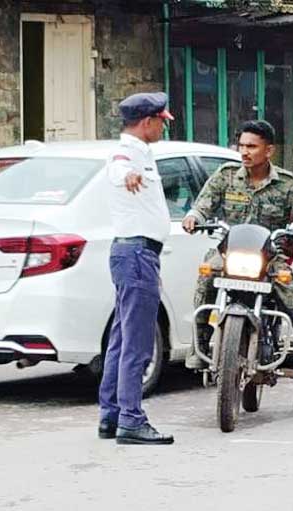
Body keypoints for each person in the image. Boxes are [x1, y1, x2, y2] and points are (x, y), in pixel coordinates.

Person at [181, 120, 293, 422]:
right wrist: (193, 217)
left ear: (269, 150)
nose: (245, 152)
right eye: (241, 146)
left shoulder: (287, 184)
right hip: (229, 253)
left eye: (252, 146)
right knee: (205, 275)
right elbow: (202, 205)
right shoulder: (226, 176)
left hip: (270, 257)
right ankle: (199, 344)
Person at [98, 92, 175, 446]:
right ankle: (131, 419)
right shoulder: (126, 153)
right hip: (137, 254)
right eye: (161, 121)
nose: (163, 127)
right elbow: (118, 168)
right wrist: (127, 175)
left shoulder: (141, 151)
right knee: (137, 341)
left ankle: (111, 415)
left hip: (133, 253)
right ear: (147, 122)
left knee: (121, 337)